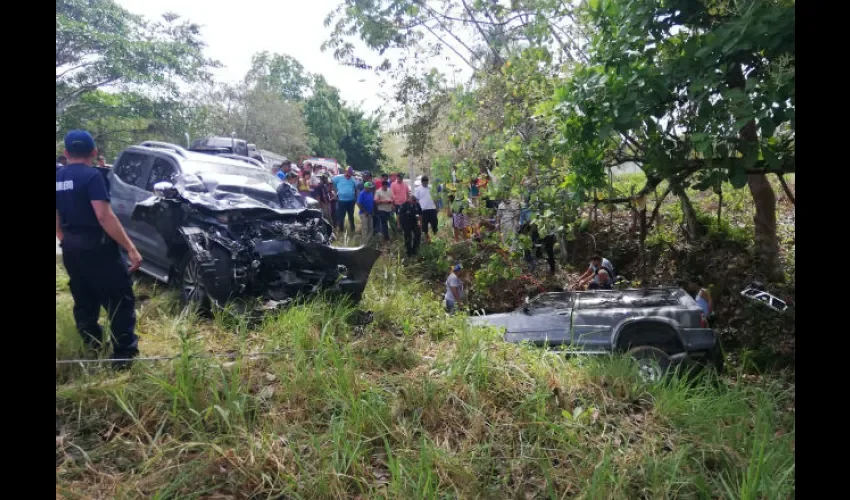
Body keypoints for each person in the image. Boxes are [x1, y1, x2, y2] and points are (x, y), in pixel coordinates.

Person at [56, 130, 141, 369]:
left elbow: (57, 217)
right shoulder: (93, 176)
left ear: (66, 153)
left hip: (72, 246)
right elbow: (104, 216)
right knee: (119, 300)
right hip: (98, 247)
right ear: (93, 152)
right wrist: (131, 248)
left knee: (84, 298)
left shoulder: (58, 177)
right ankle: (123, 358)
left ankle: (93, 348)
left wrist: (66, 239)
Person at [332, 167, 358, 233]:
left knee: (351, 215)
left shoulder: (353, 179)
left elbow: (355, 188)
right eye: (349, 172)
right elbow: (332, 183)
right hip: (341, 200)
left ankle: (352, 229)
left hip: (351, 200)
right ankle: (341, 230)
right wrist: (335, 191)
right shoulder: (338, 177)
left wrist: (355, 197)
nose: (350, 173)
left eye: (351, 172)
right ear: (345, 171)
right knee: (341, 216)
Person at [414, 175, 438, 243]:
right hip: (423, 210)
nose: (426, 184)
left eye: (427, 182)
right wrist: (419, 209)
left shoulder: (431, 188)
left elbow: (435, 198)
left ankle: (435, 235)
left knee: (435, 222)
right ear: (422, 182)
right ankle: (427, 237)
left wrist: (437, 207)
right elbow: (416, 200)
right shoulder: (418, 189)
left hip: (432, 208)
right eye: (424, 183)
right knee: (424, 224)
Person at [374, 178, 394, 244]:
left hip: (389, 209)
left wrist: (391, 202)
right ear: (382, 186)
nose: (386, 187)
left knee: (389, 223)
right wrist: (383, 201)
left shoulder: (389, 190)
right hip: (382, 209)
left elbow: (393, 198)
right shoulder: (378, 191)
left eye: (387, 186)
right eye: (385, 186)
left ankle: (387, 236)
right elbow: (376, 201)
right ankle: (386, 238)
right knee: (384, 224)